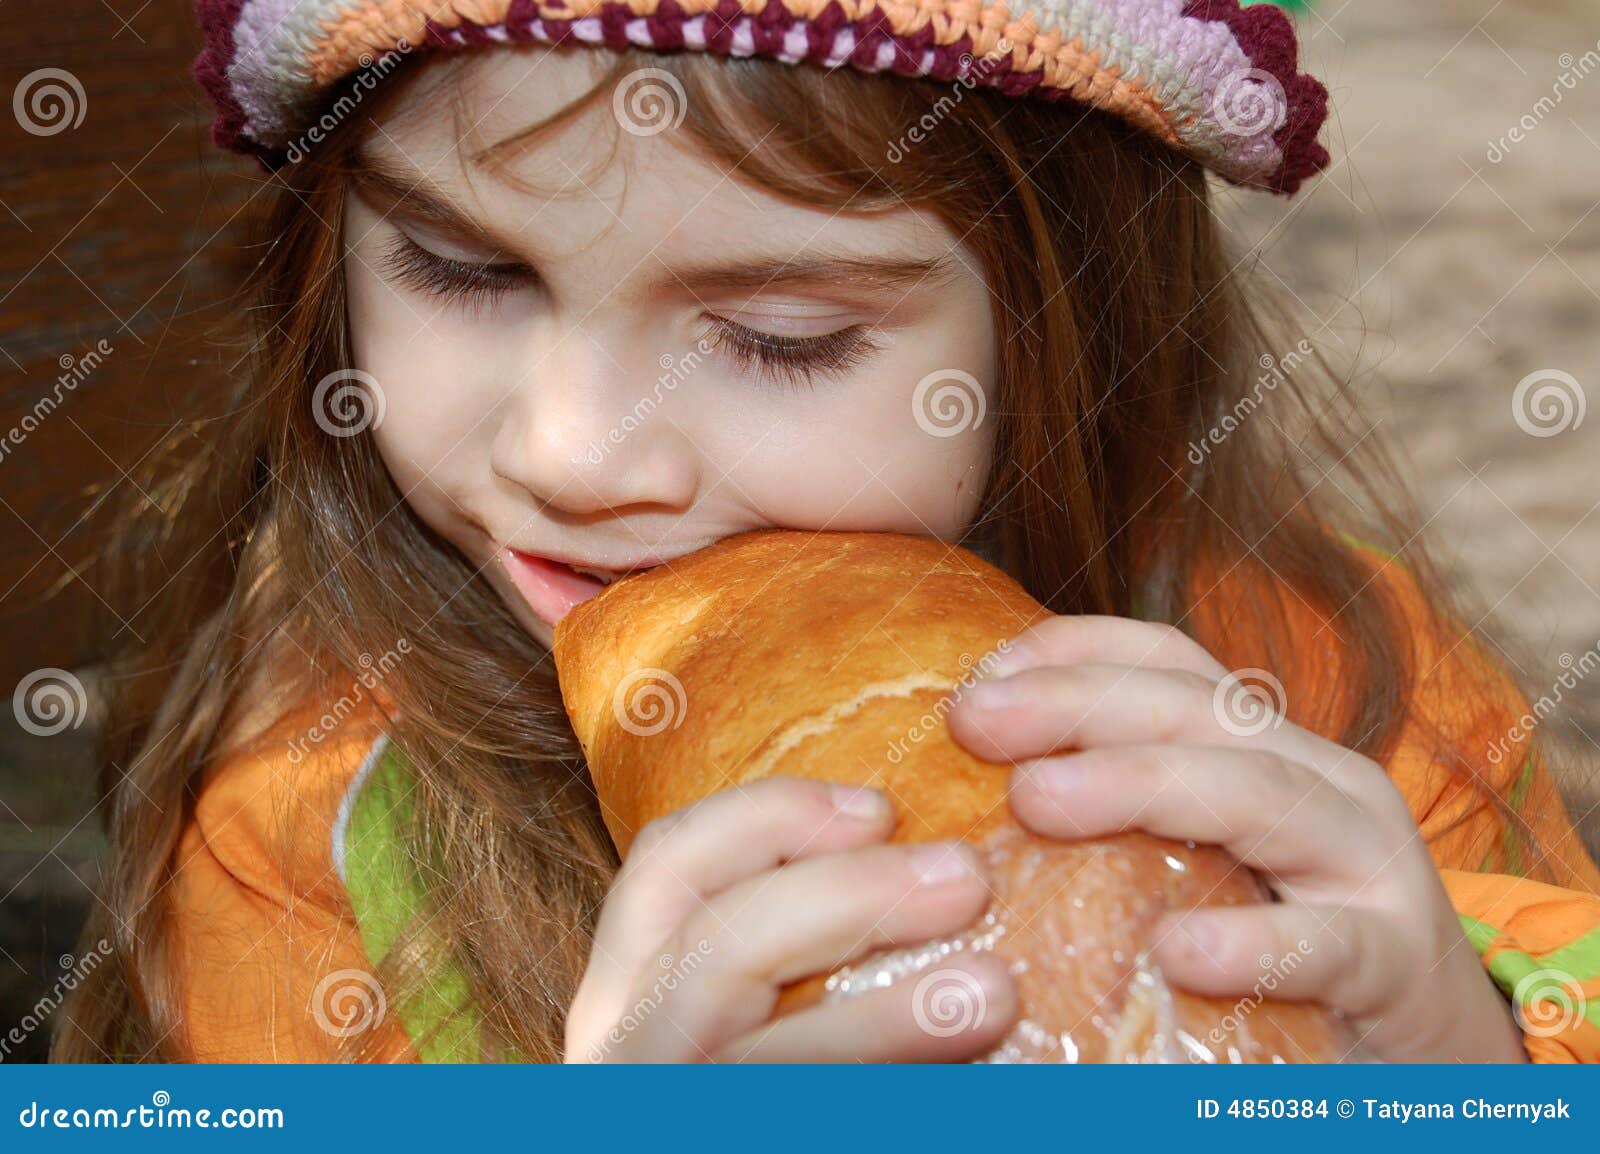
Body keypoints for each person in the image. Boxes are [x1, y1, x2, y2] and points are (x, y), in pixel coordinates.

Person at [56, 0, 1599, 1063]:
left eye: (783, 334)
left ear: (1069, 322)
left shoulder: (1339, 691)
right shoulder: (302, 831)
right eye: (463, 269)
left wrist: (1475, 1064)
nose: (574, 452)